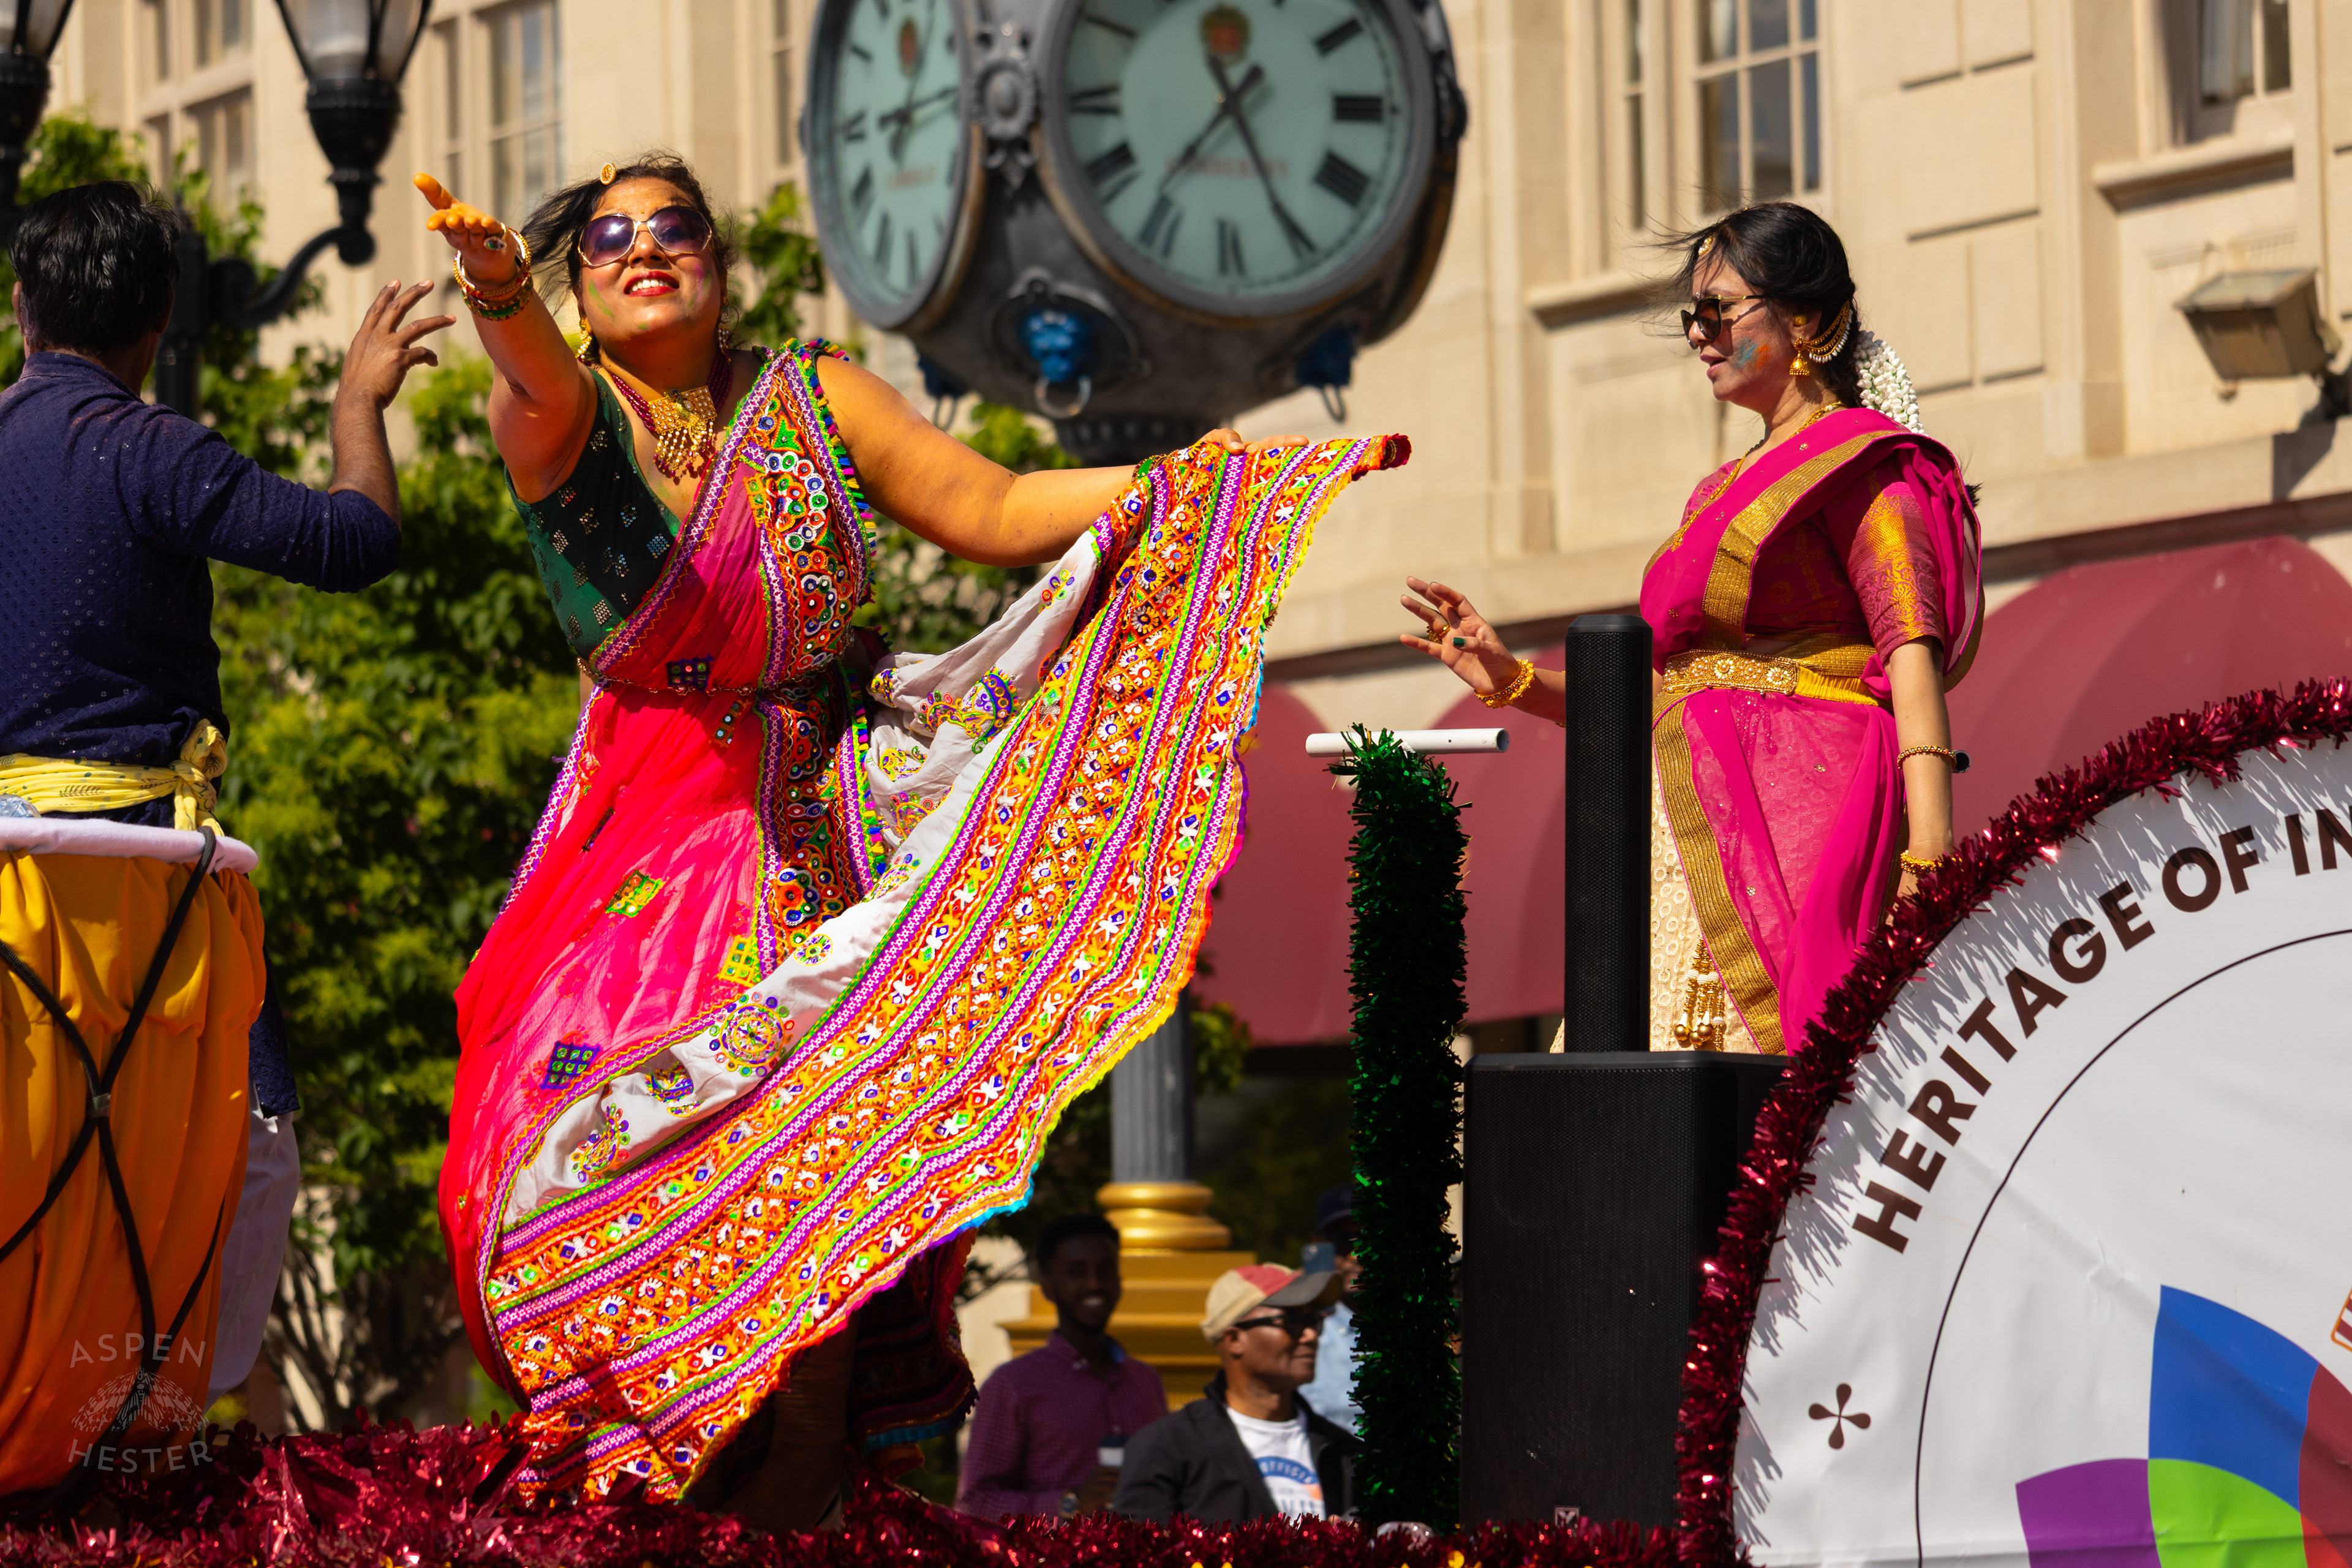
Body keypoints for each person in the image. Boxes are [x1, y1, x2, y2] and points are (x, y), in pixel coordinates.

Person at [416, 156, 1407, 1529]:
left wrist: (1188, 476)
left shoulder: (817, 397)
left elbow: (994, 510)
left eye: (675, 228)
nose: (647, 252)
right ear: (576, 283)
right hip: (661, 833)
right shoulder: (565, 408)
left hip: (832, 820)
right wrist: (498, 293)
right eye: (609, 241)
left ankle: (804, 1493)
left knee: (824, 1202)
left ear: (719, 257)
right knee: (627, 1169)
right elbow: (534, 373)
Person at [0, 181, 445, 1496]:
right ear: (158, 320)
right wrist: (357, 407)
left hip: (7, 891)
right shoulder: (149, 450)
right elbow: (356, 539)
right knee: (254, 1145)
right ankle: (150, 1435)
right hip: (141, 880)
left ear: (22, 307)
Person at [1403, 201, 1981, 1057]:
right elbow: (1667, 688)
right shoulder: (1717, 491)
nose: (1700, 338)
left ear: (1805, 321)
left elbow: (1910, 652)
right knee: (1635, 1098)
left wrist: (1929, 860)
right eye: (1693, 318)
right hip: (1685, 814)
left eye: (1718, 313)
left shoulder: (1861, 463)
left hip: (1802, 813)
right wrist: (1514, 682)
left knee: (1772, 1086)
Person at [956, 1213, 1166, 1519]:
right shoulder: (1013, 1386)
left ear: (1120, 1281)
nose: (1094, 1284)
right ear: (1049, 1287)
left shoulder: (1146, 1382)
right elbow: (974, 1504)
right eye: (1076, 1272)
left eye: (1105, 1270)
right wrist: (1070, 1504)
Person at [1114, 1262, 1355, 1522]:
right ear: (1234, 1340)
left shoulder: (1343, 1452)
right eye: (1293, 1322)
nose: (1310, 1336)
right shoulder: (1166, 1448)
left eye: (1314, 1322)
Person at [1295, 1184, 1360, 1436]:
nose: (1357, 1255)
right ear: (1317, 1244)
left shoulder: (1421, 1323)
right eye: (1343, 1242)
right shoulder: (1296, 1327)